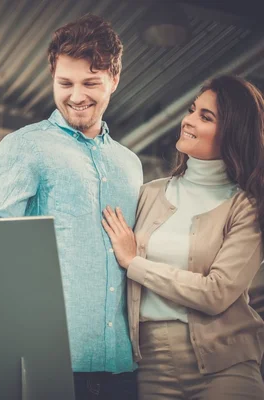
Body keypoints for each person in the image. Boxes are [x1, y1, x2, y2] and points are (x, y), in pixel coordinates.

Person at [0, 14, 143, 399]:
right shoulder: (25, 146)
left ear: (114, 80)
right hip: (51, 368)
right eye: (65, 83)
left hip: (125, 370)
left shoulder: (131, 165)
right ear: (52, 78)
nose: (76, 96)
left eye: (91, 83)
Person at [102, 75, 264, 399]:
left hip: (226, 368)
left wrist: (135, 263)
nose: (188, 121)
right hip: (151, 367)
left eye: (205, 117)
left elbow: (216, 292)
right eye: (192, 109)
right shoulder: (147, 195)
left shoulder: (246, 207)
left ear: (231, 132)